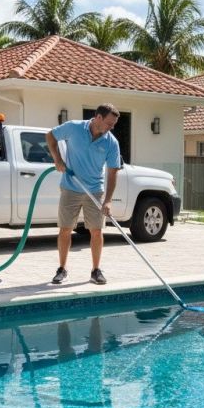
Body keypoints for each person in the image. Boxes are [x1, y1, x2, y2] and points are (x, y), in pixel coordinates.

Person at [46, 103, 121, 285]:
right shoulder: (74, 128)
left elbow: (112, 173)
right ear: (98, 117)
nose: (111, 128)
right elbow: (50, 136)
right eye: (109, 123)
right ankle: (62, 269)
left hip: (95, 190)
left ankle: (96, 271)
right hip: (70, 186)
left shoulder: (111, 142)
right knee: (65, 229)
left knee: (96, 230)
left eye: (113, 125)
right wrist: (57, 159)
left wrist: (108, 200)